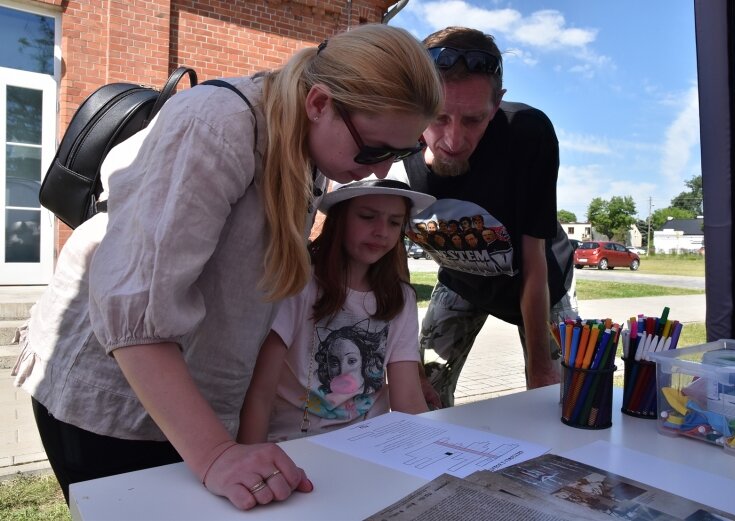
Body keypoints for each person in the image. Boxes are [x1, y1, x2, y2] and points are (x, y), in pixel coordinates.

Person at [11, 24, 442, 510]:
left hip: (190, 404)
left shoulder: (309, 145)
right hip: (117, 404)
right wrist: (215, 453)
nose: (381, 171)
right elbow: (131, 312)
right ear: (320, 103)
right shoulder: (217, 124)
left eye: (399, 153)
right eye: (374, 150)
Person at [393, 26, 577, 408]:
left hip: (541, 283)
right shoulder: (392, 141)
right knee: (424, 388)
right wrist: (405, 359)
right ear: (415, 103)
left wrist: (540, 366)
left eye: (474, 120)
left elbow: (533, 259)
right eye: (438, 117)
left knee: (558, 399)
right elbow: (393, 268)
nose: (453, 141)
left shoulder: (528, 134)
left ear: (496, 107)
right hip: (462, 280)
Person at [238, 178, 433, 443]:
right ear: (340, 220)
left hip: (372, 445)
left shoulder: (401, 299)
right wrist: (252, 459)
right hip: (292, 444)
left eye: (394, 222)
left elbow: (408, 400)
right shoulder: (299, 285)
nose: (381, 231)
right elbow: (260, 392)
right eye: (367, 217)